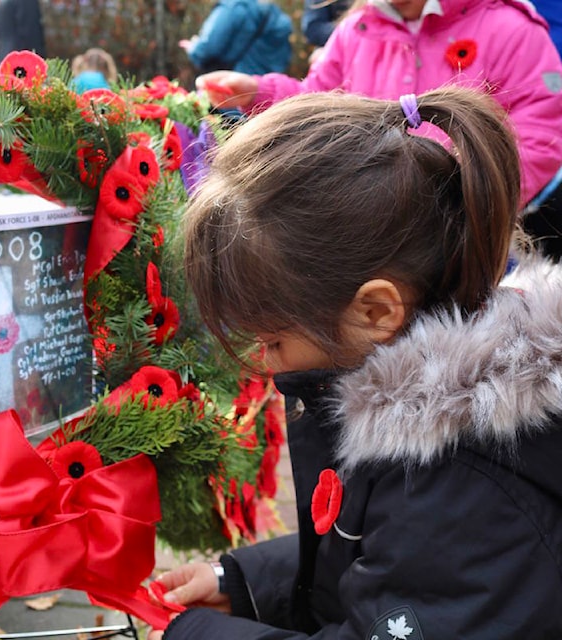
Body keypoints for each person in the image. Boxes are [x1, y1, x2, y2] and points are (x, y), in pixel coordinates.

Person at [149, 86, 562, 639]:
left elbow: (415, 564)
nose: (268, 364)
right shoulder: (418, 419)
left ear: (375, 310)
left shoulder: (459, 476)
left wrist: (194, 635)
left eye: (272, 340)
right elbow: (379, 554)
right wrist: (244, 581)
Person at [195, 0, 562, 260]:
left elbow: (541, 132)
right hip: (365, 235)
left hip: (461, 241)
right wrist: (260, 92)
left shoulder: (509, 28)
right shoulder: (357, 29)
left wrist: (468, 202)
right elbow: (318, 99)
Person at [178, 0, 292, 75]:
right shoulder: (276, 14)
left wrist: (193, 48)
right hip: (267, 95)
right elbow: (283, 59)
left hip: (233, 92)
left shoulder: (232, 8)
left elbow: (207, 49)